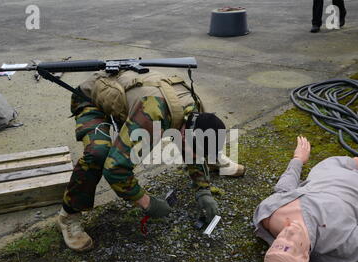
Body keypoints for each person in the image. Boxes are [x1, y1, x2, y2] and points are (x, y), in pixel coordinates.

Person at [57, 68, 246, 251]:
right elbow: (116, 169)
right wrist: (146, 202)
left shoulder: (195, 109)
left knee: (193, 147)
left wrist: (203, 189)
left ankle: (213, 159)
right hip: (92, 98)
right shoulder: (151, 119)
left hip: (133, 96)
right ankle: (68, 215)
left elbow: (192, 148)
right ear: (183, 132)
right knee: (98, 154)